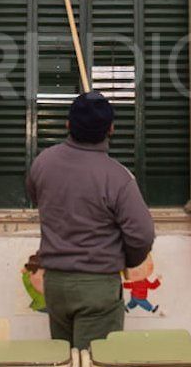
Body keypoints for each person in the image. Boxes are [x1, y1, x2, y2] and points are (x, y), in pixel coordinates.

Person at [25, 91, 156, 350]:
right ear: (111, 129)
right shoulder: (118, 177)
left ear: (68, 125)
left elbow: (35, 196)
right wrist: (126, 258)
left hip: (55, 284)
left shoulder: (42, 163)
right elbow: (142, 235)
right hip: (98, 285)